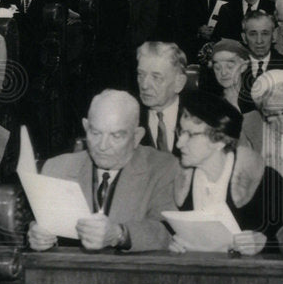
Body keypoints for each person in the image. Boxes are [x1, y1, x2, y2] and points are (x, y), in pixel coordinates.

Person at [27, 90, 178, 252]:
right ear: (85, 127)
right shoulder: (56, 169)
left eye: (116, 136)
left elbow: (166, 231)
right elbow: (40, 225)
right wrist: (38, 236)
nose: (103, 146)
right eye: (96, 133)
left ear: (137, 136)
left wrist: (120, 235)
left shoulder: (162, 167)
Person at [172, 89, 283, 252]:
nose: (179, 143)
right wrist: (174, 244)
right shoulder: (179, 182)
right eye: (180, 132)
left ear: (219, 141)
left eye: (190, 135)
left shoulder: (267, 183)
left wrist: (265, 244)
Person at [135, 41, 187, 154]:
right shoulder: (130, 119)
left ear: (179, 83)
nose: (144, 85)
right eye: (141, 75)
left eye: (156, 77)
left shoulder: (199, 121)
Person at [199, 38, 251, 112]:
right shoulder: (209, 101)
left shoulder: (255, 100)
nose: (223, 72)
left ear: (244, 66)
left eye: (230, 66)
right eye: (217, 68)